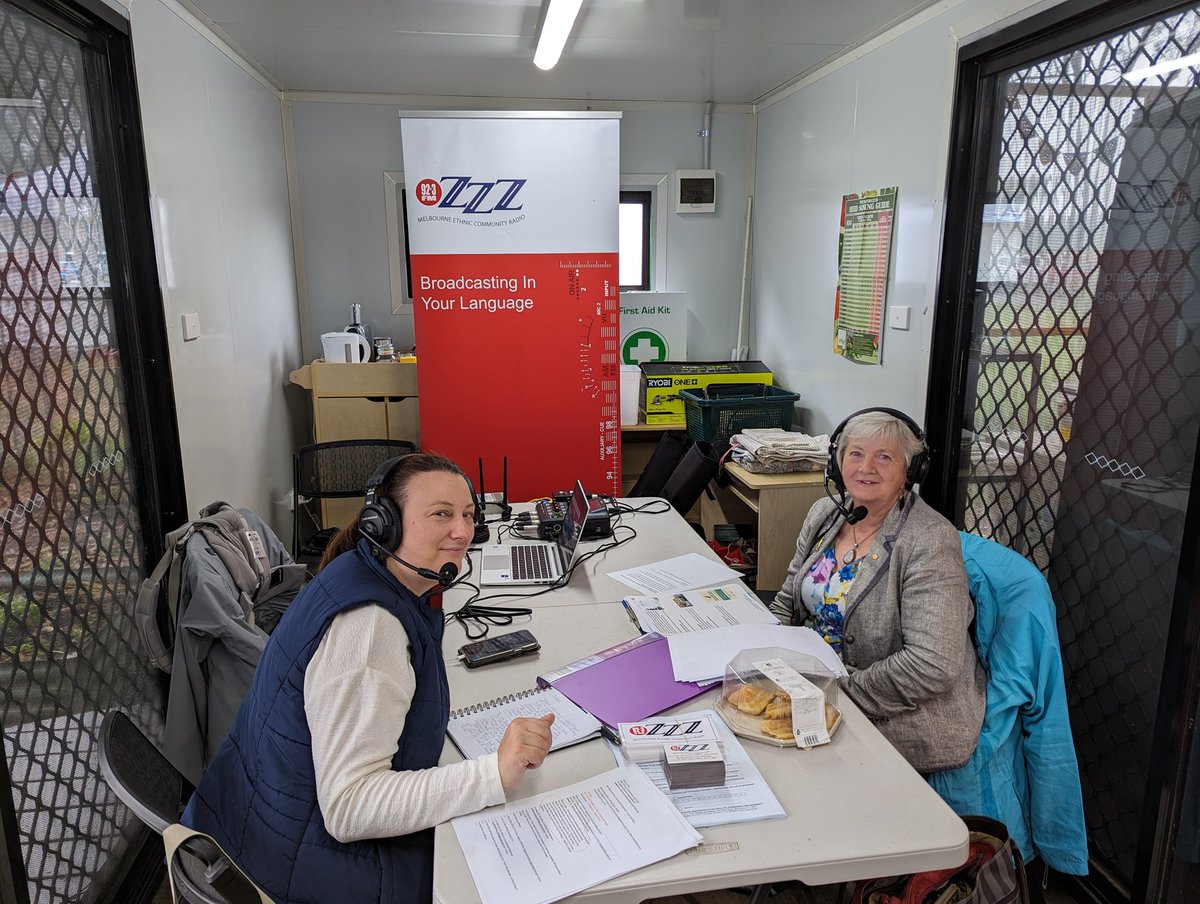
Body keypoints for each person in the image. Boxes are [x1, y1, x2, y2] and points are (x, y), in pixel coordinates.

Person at [182, 452, 555, 903]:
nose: (462, 531)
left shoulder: (357, 572)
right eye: (441, 514)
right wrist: (494, 773)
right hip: (309, 873)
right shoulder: (369, 628)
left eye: (468, 515)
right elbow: (350, 807)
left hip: (264, 831)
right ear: (385, 524)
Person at [769, 409, 986, 773]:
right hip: (815, 684)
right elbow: (788, 600)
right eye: (856, 454)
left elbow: (931, 665)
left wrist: (836, 696)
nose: (866, 467)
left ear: (910, 472)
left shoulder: (928, 540)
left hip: (898, 710)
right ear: (838, 463)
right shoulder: (826, 513)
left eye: (884, 457)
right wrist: (758, 655)